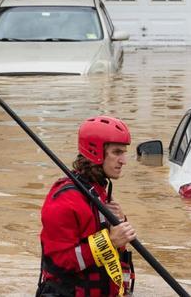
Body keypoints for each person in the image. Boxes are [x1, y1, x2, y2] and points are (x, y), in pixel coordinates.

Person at [37, 115, 136, 297]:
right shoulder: (63, 202)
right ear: (95, 152)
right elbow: (59, 262)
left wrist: (121, 222)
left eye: (124, 152)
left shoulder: (98, 192)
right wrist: (109, 241)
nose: (124, 160)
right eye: (117, 152)